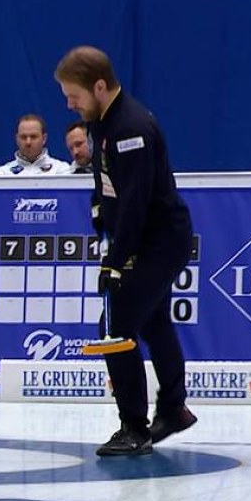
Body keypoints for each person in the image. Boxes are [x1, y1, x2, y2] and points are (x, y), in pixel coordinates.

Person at [55, 45, 197, 456]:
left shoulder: (130, 128)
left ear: (99, 86)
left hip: (159, 240)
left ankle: (133, 427)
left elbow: (136, 201)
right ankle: (173, 408)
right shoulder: (102, 121)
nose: (70, 104)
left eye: (74, 95)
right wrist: (100, 218)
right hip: (142, 237)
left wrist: (116, 260)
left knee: (114, 328)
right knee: (152, 322)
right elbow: (106, 185)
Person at [0, 114, 68, 175]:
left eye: (33, 137)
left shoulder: (61, 170)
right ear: (16, 139)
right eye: (23, 137)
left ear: (44, 139)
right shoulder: (3, 173)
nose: (28, 142)